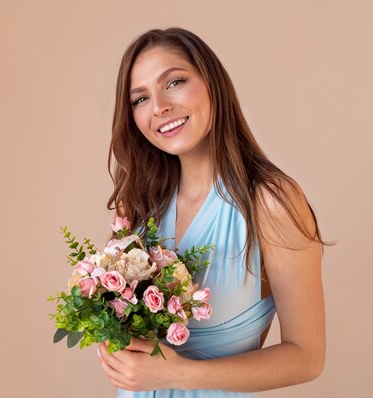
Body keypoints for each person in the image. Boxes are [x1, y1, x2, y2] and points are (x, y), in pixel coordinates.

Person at [99, 27, 332, 397]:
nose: (159, 106)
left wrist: (176, 375)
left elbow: (307, 357)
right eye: (140, 99)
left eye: (174, 82)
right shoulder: (141, 205)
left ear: (213, 83)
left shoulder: (271, 202)